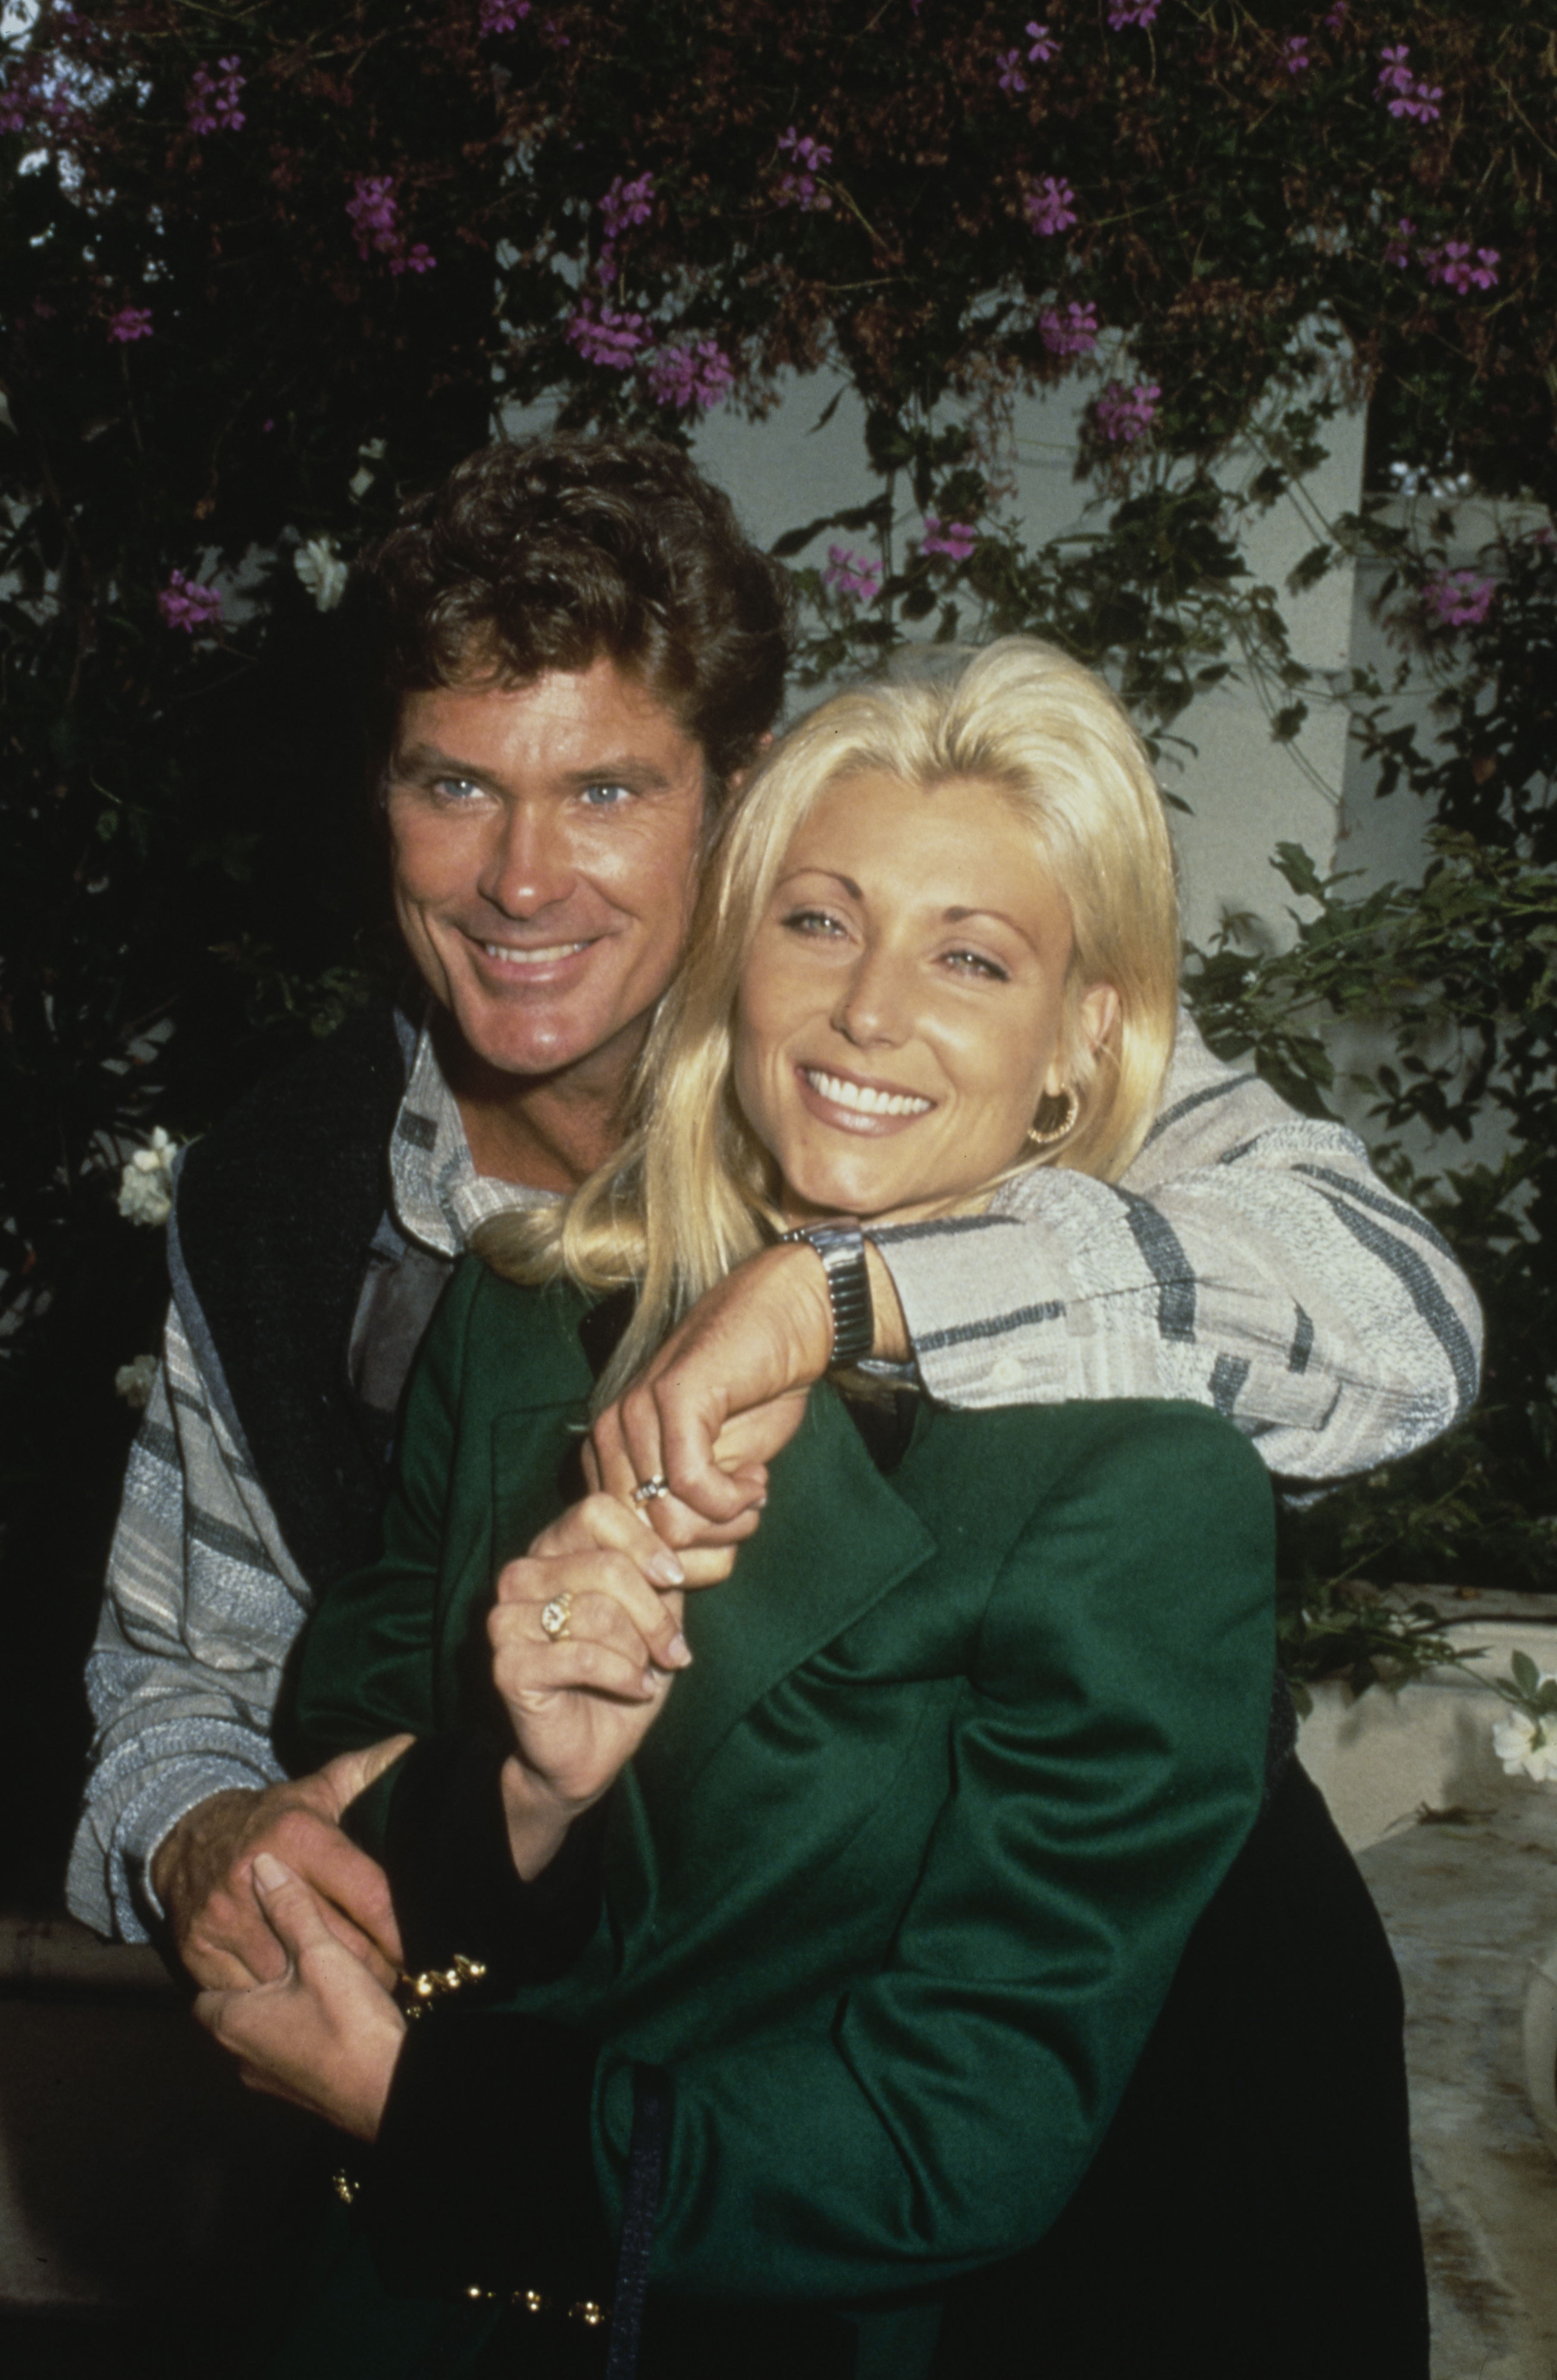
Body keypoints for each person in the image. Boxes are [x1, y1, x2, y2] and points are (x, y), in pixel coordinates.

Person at [66, 429, 1483, 1999]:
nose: (520, 881)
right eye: (455, 785)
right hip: (614, 2080)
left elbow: (1396, 1319)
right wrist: (204, 1838)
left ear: (734, 798)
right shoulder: (289, 1191)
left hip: (1086, 2031)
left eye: (606, 789)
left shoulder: (893, 1043)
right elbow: (180, 1672)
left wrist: (835, 1289)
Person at [199, 643, 1429, 2380]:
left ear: (1080, 1043)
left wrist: (440, 2117)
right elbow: (351, 1762)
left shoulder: (1142, 1483)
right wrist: (525, 1791)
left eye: (972, 957)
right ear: (734, 953)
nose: (870, 1012)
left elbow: (959, 2132)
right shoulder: (527, 1309)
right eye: (820, 921)